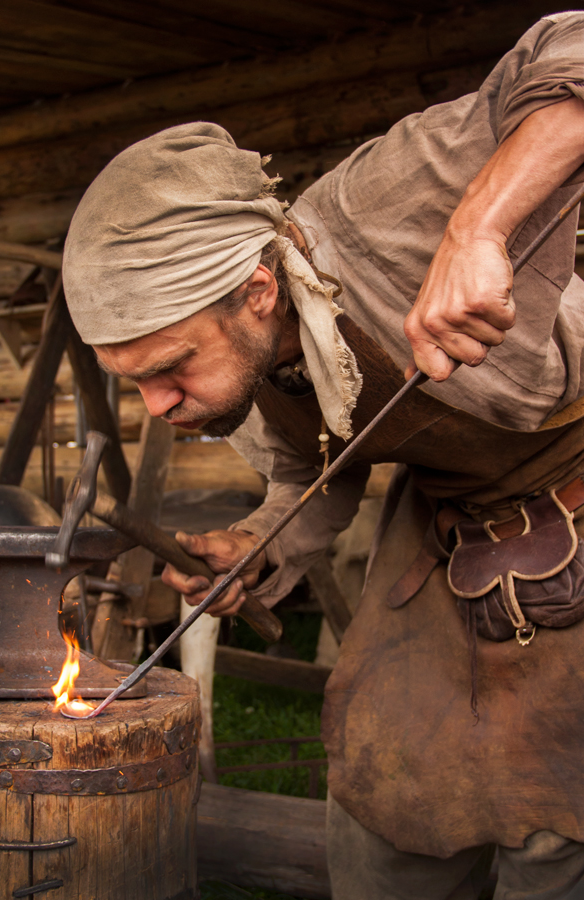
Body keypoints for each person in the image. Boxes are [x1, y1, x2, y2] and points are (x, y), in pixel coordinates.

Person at [63, 13, 584, 898]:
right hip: (441, 538)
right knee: (385, 798)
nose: (157, 404)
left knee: (557, 824)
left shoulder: (377, 204)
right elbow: (312, 474)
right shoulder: (259, 355)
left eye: (170, 367)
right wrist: (259, 540)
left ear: (258, 291)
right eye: (133, 381)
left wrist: (475, 229)